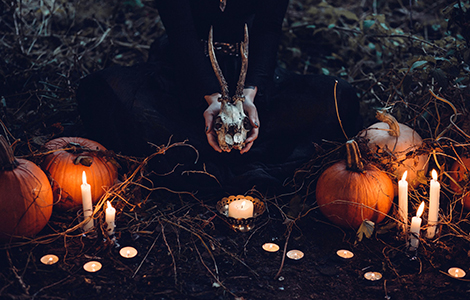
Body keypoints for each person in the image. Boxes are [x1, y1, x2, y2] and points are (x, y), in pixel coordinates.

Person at [76, 0, 362, 194]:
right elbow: (181, 33)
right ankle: (232, 161)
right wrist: (213, 98)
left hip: (254, 76)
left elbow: (268, 28)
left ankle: (205, 156)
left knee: (339, 99)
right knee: (102, 92)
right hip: (186, 74)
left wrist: (250, 94)